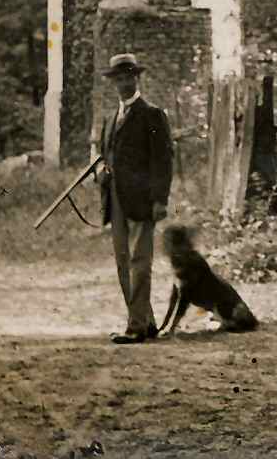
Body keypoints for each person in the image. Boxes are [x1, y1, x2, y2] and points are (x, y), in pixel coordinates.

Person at [98, 53, 174, 344]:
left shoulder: (152, 114)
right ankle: (147, 321)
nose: (123, 83)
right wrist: (102, 172)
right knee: (122, 262)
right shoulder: (110, 118)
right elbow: (108, 157)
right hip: (115, 200)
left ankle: (135, 326)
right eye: (118, 78)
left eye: (128, 76)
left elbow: (163, 161)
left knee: (139, 261)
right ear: (113, 82)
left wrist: (160, 200)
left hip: (142, 200)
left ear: (136, 78)